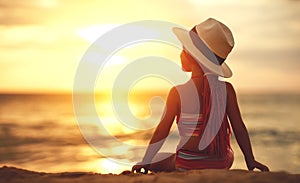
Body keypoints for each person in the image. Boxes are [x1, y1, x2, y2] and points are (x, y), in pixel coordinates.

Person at [132, 18, 269, 173]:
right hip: (220, 163)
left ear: (192, 55)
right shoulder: (227, 90)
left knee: (159, 159)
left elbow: (161, 131)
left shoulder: (177, 92)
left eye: (184, 49)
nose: (180, 53)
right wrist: (250, 160)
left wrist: (146, 160)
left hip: (186, 163)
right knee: (229, 155)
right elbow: (239, 128)